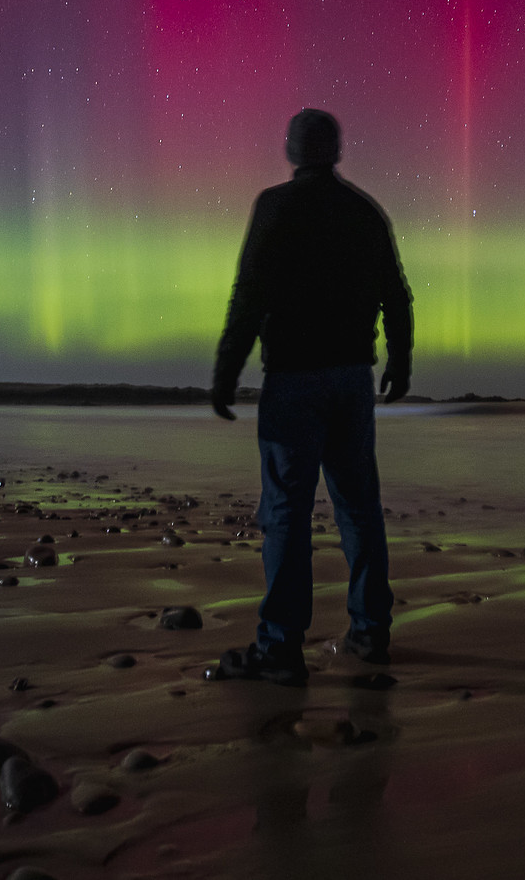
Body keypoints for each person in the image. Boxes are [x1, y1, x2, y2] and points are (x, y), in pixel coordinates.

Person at [209, 108, 413, 686]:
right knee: (358, 508)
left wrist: (227, 370)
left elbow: (248, 293)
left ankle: (280, 648)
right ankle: (371, 631)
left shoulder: (276, 206)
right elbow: (396, 296)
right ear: (337, 150)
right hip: (352, 380)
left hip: (295, 379)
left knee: (287, 513)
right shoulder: (365, 212)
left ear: (293, 150)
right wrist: (400, 361)